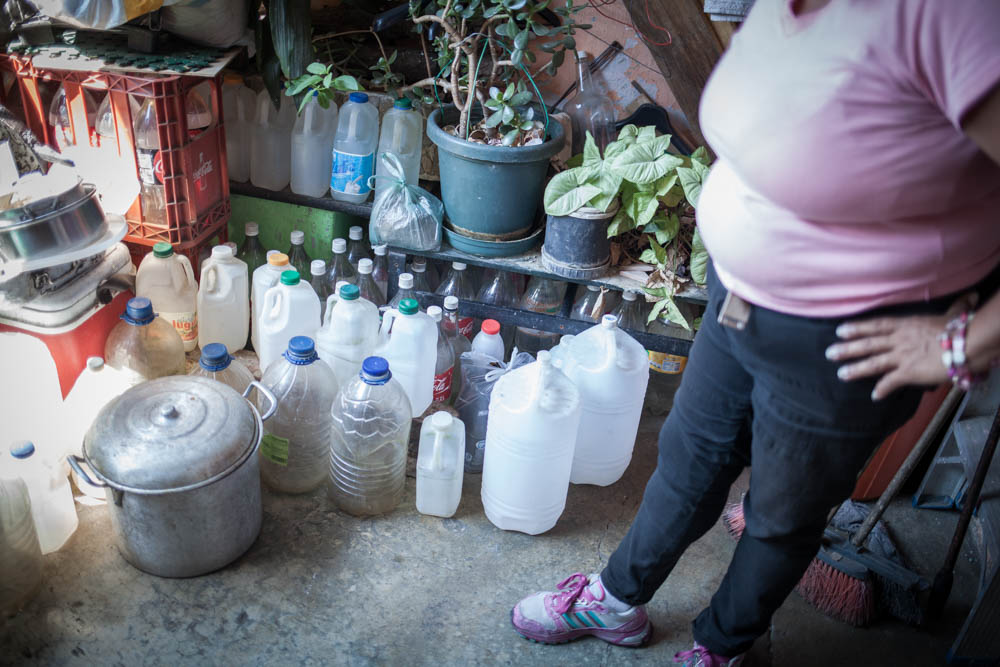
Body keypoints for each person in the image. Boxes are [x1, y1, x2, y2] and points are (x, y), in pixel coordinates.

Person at [510, 0, 1000, 665]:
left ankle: (726, 645)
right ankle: (616, 599)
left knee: (779, 513)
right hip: (738, 296)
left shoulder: (955, 18)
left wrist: (960, 342)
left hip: (848, 339)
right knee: (688, 458)